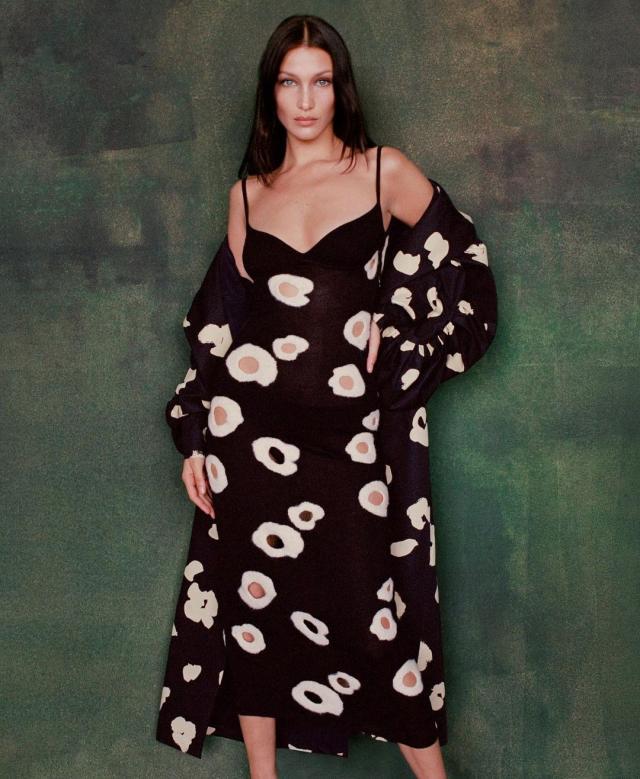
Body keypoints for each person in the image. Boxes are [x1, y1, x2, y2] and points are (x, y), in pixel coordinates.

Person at [156, 14, 498, 779]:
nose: (305, 100)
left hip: (350, 441)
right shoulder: (247, 196)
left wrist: (400, 329)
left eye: (319, 81)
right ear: (270, 93)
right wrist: (197, 438)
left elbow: (466, 270)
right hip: (249, 440)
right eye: (289, 82)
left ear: (340, 89)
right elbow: (219, 328)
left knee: (376, 622)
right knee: (254, 615)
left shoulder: (383, 172)